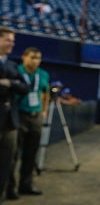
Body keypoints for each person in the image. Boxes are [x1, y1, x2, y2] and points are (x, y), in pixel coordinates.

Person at [7, 47, 49, 199]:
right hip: (19, 115)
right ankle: (10, 188)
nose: (35, 61)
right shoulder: (15, 71)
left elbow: (45, 93)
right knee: (12, 154)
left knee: (31, 154)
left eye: (38, 58)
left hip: (35, 116)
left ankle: (26, 185)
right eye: (32, 57)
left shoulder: (43, 74)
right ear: (24, 57)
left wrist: (44, 111)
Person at [0, 27, 29, 203]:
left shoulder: (12, 65)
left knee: (6, 163)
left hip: (10, 121)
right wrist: (13, 84)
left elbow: (24, 87)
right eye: (8, 40)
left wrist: (9, 82)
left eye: (13, 40)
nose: (12, 43)